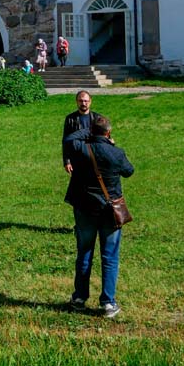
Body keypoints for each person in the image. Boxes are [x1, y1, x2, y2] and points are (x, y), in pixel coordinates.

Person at [63, 112, 134, 317]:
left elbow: (69, 139)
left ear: (92, 132)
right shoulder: (116, 152)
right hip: (109, 210)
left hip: (85, 209)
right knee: (110, 256)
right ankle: (108, 302)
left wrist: (89, 132)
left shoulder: (81, 149)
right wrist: (108, 142)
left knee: (84, 253)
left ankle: (79, 298)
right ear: (109, 132)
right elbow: (129, 171)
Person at [63, 90, 93, 171]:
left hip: (93, 158)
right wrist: (67, 161)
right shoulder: (70, 119)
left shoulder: (97, 118)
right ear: (77, 102)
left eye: (86, 101)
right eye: (81, 101)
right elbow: (66, 141)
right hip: (77, 158)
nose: (83, 103)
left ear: (90, 102)